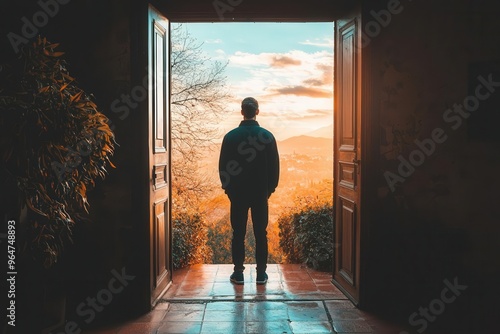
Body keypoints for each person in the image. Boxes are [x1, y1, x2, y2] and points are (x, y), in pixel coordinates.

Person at [218, 97, 280, 285]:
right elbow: (275, 168)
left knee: (238, 233)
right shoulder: (267, 136)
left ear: (242, 112)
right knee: (261, 233)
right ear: (257, 112)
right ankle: (261, 273)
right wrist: (269, 190)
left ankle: (238, 273)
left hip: (237, 194)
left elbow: (223, 167)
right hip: (260, 193)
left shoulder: (230, 136)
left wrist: (228, 189)